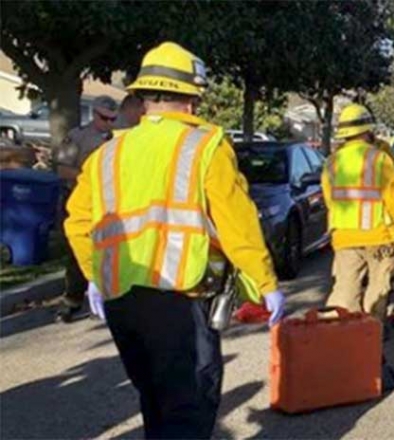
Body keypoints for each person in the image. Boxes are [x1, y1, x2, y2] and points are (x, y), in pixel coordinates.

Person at [64, 41, 285, 438]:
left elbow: (78, 223)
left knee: (154, 398)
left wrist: (95, 275)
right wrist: (265, 282)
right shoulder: (205, 146)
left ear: (144, 96)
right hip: (180, 297)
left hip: (122, 299)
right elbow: (238, 224)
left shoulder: (106, 155)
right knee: (188, 406)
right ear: (191, 98)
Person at [322, 104, 394, 321]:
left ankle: (338, 334)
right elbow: (392, 199)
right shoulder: (379, 159)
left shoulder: (332, 162)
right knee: (378, 290)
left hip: (344, 236)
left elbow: (329, 198)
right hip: (377, 235)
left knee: (345, 289)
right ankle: (371, 335)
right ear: (367, 129)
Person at [54, 95, 119, 323]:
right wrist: (91, 178)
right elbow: (63, 169)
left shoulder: (119, 139)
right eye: (104, 118)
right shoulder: (78, 137)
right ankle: (71, 301)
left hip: (111, 205)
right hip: (82, 199)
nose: (109, 123)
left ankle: (108, 297)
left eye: (113, 119)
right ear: (94, 114)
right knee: (78, 251)